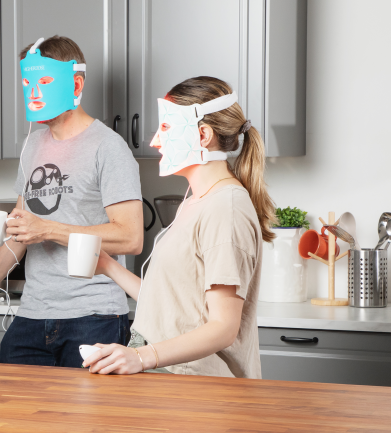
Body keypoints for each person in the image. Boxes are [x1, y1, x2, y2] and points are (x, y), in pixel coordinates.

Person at [0, 36, 144, 368]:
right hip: (32, 315)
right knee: (15, 416)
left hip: (93, 316)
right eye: (28, 82)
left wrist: (47, 229)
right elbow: (21, 234)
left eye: (44, 81)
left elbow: (131, 237)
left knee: (83, 421)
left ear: (75, 82)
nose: (33, 91)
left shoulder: (108, 147)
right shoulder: (32, 145)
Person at [83, 76, 275, 378]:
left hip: (201, 391)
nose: (154, 140)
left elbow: (223, 328)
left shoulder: (226, 209)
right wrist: (108, 266)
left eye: (167, 128)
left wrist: (141, 357)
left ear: (203, 135)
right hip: (173, 383)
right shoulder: (195, 200)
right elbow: (172, 301)